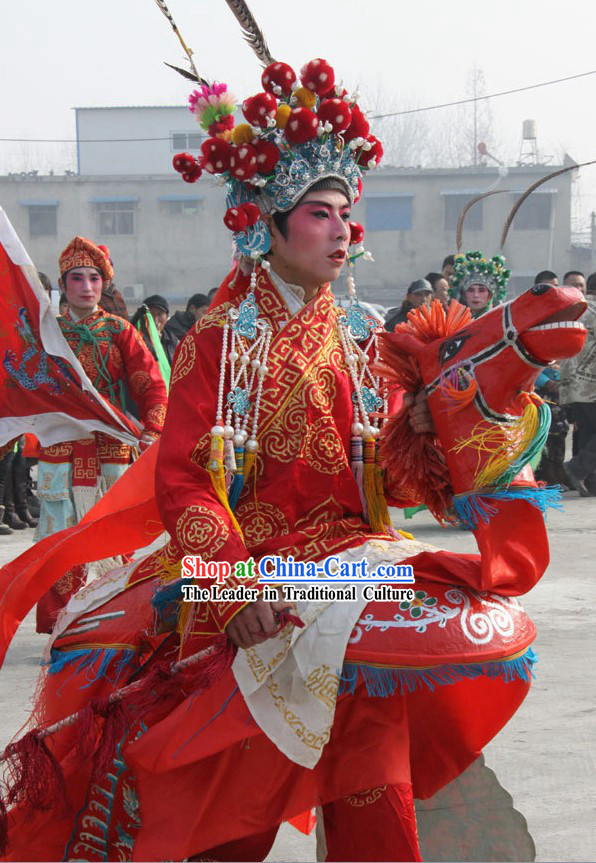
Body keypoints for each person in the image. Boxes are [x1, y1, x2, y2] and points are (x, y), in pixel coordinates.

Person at [1, 56, 556, 863]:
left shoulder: (364, 342)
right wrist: (231, 592)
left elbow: (395, 479)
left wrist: (452, 428)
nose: (344, 231)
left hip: (351, 579)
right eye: (323, 213)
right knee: (230, 820)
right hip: (252, 589)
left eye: (348, 215)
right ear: (270, 221)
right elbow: (186, 475)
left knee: (375, 786)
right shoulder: (222, 343)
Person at [34, 236, 168, 633]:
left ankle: (119, 618)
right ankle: (62, 623)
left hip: (111, 445)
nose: (86, 287)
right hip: (60, 447)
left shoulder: (120, 331)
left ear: (104, 285)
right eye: (77, 278)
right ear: (64, 284)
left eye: (94, 278)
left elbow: (151, 384)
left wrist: (153, 428)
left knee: (113, 536)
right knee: (58, 536)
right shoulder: (48, 333)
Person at [561, 274, 596, 495]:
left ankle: (590, 483)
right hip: (591, 385)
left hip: (570, 384)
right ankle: (577, 467)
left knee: (588, 432)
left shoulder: (578, 308)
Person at [449, 250, 510, 317]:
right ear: (464, 295)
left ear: (490, 295)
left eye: (481, 290)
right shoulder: (454, 320)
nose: (476, 295)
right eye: (471, 290)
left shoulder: (499, 320)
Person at [96, 243, 130, 320]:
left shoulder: (117, 295)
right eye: (103, 273)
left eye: (109, 272)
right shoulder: (92, 299)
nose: (107, 277)